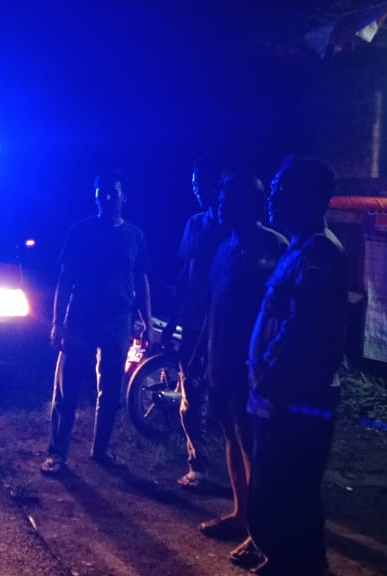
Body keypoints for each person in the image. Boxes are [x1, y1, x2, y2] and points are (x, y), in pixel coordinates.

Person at [246, 155, 349, 575]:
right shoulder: (299, 248)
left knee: (290, 489)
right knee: (277, 490)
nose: (273, 197)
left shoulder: (320, 254)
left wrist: (266, 373)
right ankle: (284, 562)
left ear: (309, 197)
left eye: (282, 189)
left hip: (296, 396)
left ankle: (300, 566)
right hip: (279, 393)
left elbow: (302, 327)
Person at [198, 175, 289, 566]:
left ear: (250, 204)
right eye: (221, 197)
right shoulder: (223, 248)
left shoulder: (275, 247)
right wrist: (201, 353)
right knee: (232, 437)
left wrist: (269, 364)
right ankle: (241, 514)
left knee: (255, 447)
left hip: (254, 369)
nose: (221, 204)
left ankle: (262, 534)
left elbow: (285, 314)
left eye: (229, 198)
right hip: (221, 362)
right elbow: (214, 304)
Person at [41, 169, 153, 475]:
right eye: (101, 192)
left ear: (123, 197)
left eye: (113, 192)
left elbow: (141, 280)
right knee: (68, 386)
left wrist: (147, 322)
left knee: (112, 389)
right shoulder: (80, 231)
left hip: (118, 321)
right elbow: (65, 279)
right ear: (95, 196)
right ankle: (57, 454)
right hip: (81, 319)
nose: (107, 197)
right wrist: (57, 322)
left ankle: (101, 450)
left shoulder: (135, 236)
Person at [172, 156, 229, 488]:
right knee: (191, 393)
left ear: (218, 185)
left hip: (225, 325)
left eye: (203, 183)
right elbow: (187, 271)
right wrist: (172, 320)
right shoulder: (194, 223)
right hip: (193, 323)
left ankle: (242, 472)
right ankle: (199, 466)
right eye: (194, 183)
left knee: (227, 397)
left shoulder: (232, 228)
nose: (197, 189)